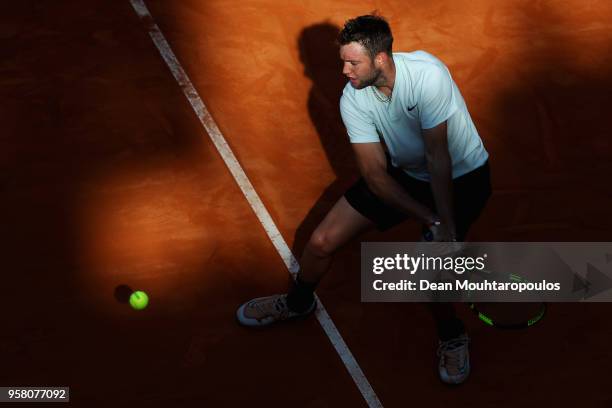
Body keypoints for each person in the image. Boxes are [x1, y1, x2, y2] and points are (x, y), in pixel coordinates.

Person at [236, 14, 491, 385]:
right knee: (322, 241)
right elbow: (374, 175)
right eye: (343, 61)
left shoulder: (428, 76)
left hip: (462, 176)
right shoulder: (353, 99)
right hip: (408, 175)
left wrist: (445, 227)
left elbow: (439, 156)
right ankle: (297, 301)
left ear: (381, 59)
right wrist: (429, 220)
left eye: (353, 62)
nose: (344, 70)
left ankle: (452, 335)